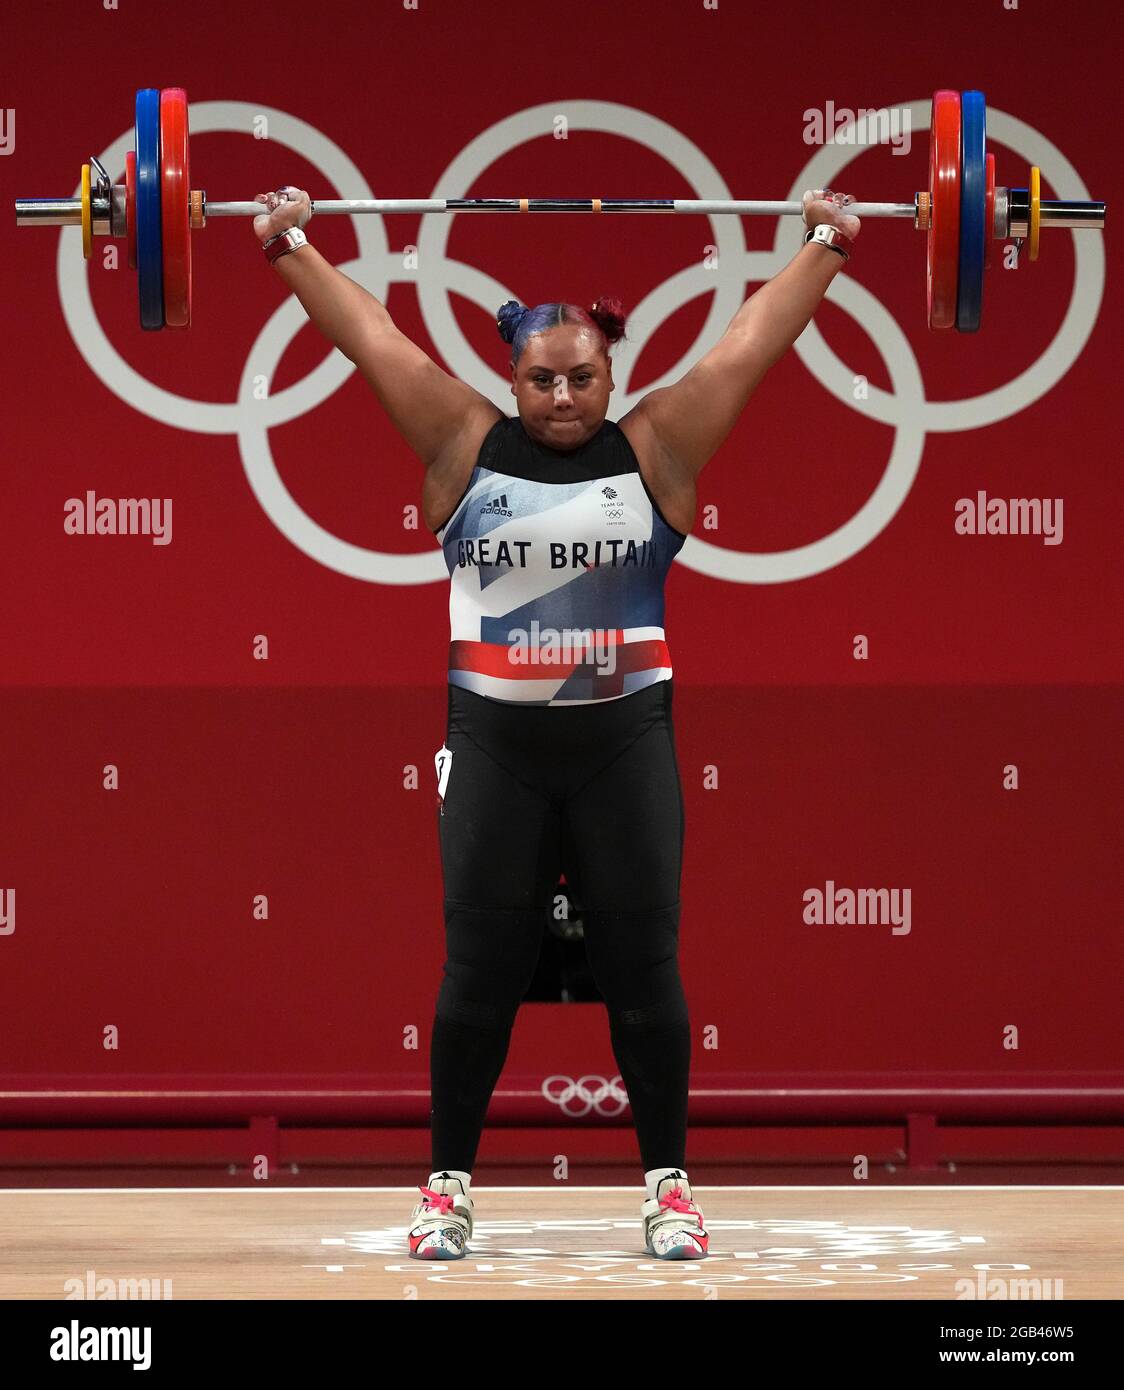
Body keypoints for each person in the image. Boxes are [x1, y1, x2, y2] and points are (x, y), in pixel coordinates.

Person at [252, 183, 861, 1261]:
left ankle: (668, 1189)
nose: (565, 396)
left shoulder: (657, 449)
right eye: (543, 379)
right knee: (477, 971)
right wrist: (289, 243)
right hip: (496, 749)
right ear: (512, 376)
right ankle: (445, 1189)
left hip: (622, 746)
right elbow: (369, 337)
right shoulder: (459, 445)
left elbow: (745, 347)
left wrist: (821, 244)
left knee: (644, 967)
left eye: (584, 377)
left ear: (612, 375)